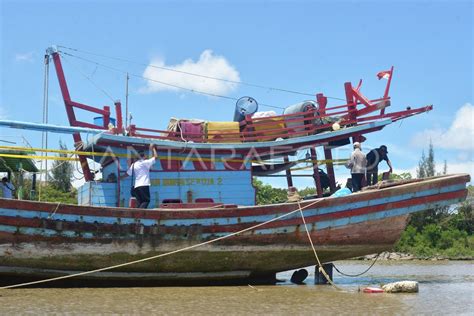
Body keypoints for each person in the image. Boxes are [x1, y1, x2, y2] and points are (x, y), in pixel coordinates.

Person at [121, 144, 158, 208]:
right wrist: (153, 148)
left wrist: (120, 177)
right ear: (143, 156)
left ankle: (137, 216)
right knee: (146, 201)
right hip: (144, 185)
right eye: (145, 155)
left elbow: (127, 174)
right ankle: (139, 215)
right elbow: (156, 157)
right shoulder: (145, 163)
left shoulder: (134, 165)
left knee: (140, 202)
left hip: (136, 187)